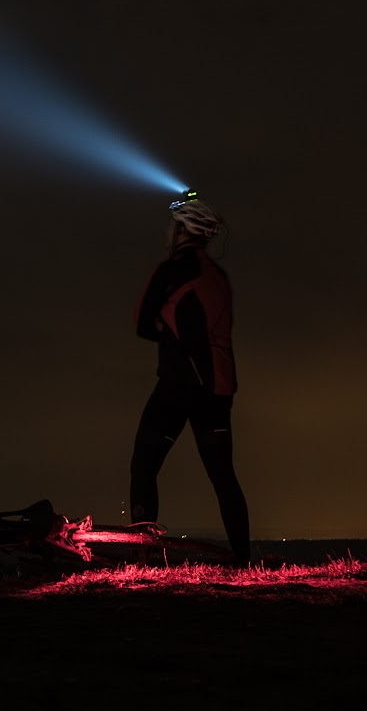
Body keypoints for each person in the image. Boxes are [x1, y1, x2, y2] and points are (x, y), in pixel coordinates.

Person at [129, 191, 251, 565]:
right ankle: (244, 562)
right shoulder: (219, 276)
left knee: (144, 464)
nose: (168, 230)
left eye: (173, 224)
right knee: (222, 475)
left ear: (183, 230)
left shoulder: (171, 270)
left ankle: (143, 559)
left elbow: (142, 324)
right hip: (218, 386)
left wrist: (168, 334)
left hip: (179, 383)